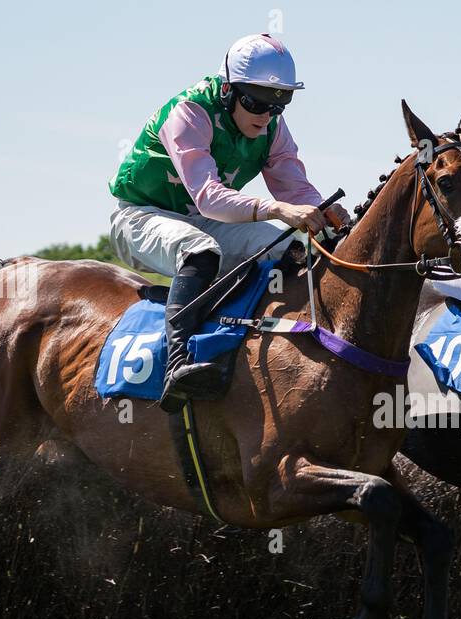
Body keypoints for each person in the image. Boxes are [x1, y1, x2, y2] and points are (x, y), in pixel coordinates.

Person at [109, 33, 348, 411]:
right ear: (227, 90)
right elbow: (208, 197)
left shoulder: (271, 127)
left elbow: (296, 189)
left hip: (206, 219)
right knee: (202, 252)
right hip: (142, 216)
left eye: (279, 103)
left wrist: (328, 216)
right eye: (256, 102)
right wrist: (276, 210)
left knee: (296, 249)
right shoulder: (189, 111)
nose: (266, 114)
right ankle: (177, 364)